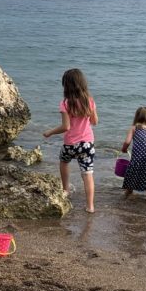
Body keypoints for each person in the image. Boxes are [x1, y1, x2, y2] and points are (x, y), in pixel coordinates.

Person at [42, 68, 98, 213]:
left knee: (64, 161)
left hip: (71, 144)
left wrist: (50, 132)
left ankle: (65, 189)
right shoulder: (90, 101)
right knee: (87, 174)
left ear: (66, 86)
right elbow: (95, 121)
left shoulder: (65, 103)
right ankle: (90, 206)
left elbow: (66, 127)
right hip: (87, 144)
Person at [121, 106, 146, 201]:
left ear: (137, 117)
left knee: (131, 178)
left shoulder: (134, 128)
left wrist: (124, 149)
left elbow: (127, 142)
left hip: (137, 159)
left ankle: (126, 196)